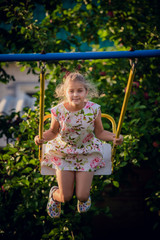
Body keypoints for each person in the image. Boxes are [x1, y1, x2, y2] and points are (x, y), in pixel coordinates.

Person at [34, 72, 123, 218]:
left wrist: (114, 137)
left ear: (86, 92)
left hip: (86, 152)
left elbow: (100, 133)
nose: (75, 94)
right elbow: (53, 132)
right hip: (63, 153)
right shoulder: (59, 111)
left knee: (82, 196)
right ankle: (54, 196)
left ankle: (83, 196)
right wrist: (41, 137)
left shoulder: (94, 109)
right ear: (65, 92)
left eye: (79, 90)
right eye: (71, 91)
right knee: (66, 196)